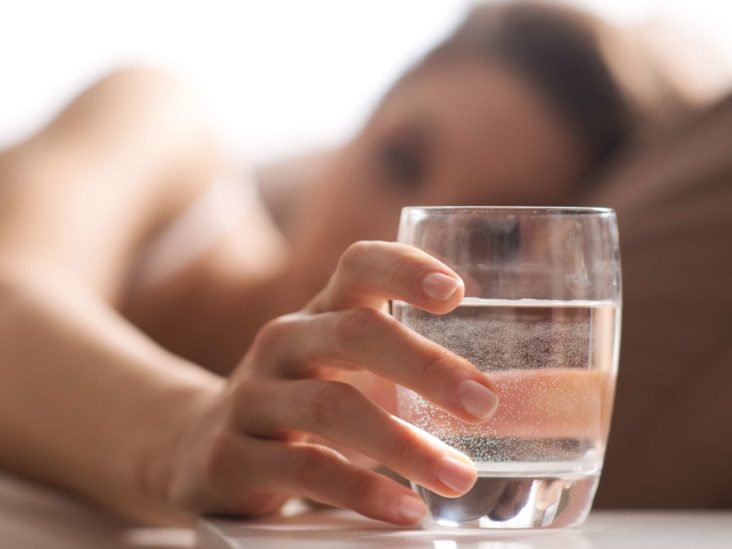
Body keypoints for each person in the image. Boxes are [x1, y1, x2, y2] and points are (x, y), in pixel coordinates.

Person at [0, 1, 698, 527]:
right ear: (358, 125)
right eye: (399, 160)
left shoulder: (363, 480)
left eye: (490, 238)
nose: (397, 241)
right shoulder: (163, 130)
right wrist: (180, 436)